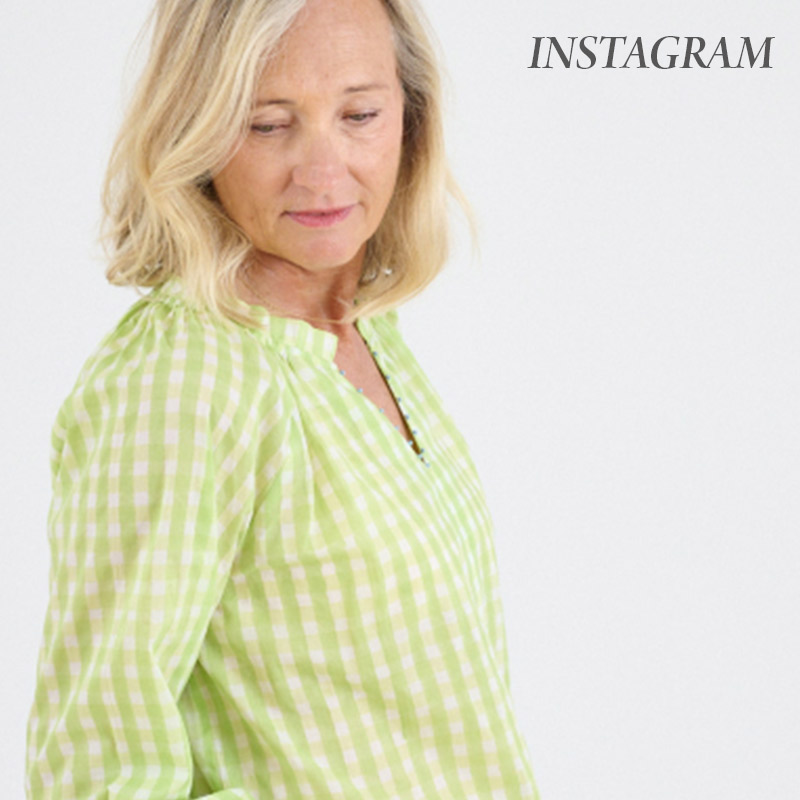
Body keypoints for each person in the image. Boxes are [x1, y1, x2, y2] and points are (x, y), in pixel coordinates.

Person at [24, 0, 541, 797]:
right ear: (195, 131)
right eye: (268, 124)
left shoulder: (365, 338)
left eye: (360, 114)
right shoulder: (184, 376)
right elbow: (100, 765)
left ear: (411, 119)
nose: (323, 170)